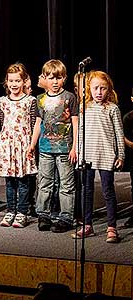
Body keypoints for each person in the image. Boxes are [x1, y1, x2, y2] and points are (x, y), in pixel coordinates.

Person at [72, 71, 124, 243]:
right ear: (89, 89)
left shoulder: (112, 109)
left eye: (103, 88)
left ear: (109, 90)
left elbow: (119, 133)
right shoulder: (83, 107)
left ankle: (112, 227)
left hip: (106, 154)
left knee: (108, 190)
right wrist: (79, 152)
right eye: (95, 88)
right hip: (87, 155)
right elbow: (80, 133)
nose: (99, 92)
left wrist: (121, 155)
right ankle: (87, 225)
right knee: (86, 191)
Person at [27, 59, 78, 233]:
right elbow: (38, 124)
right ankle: (44, 215)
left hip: (65, 149)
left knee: (66, 184)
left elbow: (75, 123)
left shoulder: (69, 97)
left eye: (58, 78)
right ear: (44, 79)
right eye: (50, 78)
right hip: (46, 149)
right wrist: (32, 144)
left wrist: (75, 147)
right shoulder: (40, 99)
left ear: (64, 78)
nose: (54, 82)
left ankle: (66, 217)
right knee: (45, 182)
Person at [0, 63, 37, 228]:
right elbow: (0, 123)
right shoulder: (3, 101)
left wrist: (32, 146)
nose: (14, 84)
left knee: (24, 181)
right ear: (6, 81)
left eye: (17, 80)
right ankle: (10, 211)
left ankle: (22, 212)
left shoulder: (30, 101)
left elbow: (33, 124)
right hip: (7, 145)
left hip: (23, 145)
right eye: (11, 80)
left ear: (24, 81)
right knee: (10, 181)